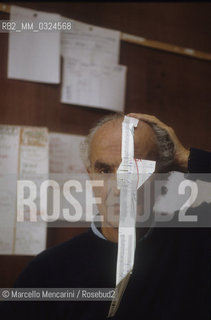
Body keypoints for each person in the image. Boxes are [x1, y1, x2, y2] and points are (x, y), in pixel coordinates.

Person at [0, 113, 210, 319]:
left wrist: (185, 157)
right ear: (90, 175)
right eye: (104, 171)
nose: (118, 188)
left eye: (136, 170)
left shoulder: (194, 243)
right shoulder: (47, 272)